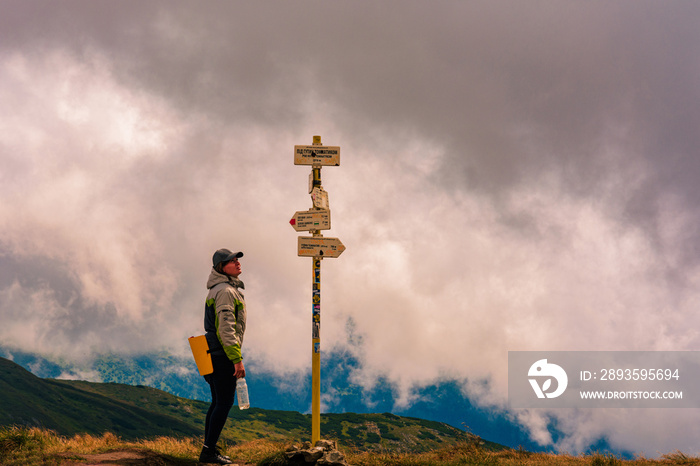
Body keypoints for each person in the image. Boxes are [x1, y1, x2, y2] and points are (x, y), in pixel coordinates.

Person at [199, 248, 247, 465]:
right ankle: (208, 452)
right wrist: (236, 359)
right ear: (221, 267)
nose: (237, 263)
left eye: (237, 260)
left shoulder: (219, 289)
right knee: (224, 403)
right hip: (222, 354)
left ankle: (208, 449)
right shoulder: (226, 290)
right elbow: (226, 328)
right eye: (232, 261)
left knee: (217, 402)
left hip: (213, 352)